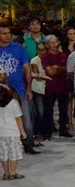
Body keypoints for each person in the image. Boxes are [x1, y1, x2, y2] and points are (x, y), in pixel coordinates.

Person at [0, 25, 38, 154]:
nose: (7, 36)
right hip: (1, 91)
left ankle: (28, 144)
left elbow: (27, 70)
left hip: (19, 90)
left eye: (9, 33)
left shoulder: (19, 49)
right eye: (4, 33)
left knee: (26, 118)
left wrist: (29, 89)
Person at [41, 35, 70, 139]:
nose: (55, 45)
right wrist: (62, 68)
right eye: (52, 43)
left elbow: (69, 69)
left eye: (56, 42)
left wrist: (58, 67)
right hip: (50, 87)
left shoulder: (63, 55)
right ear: (47, 45)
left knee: (63, 110)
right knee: (48, 110)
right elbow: (50, 72)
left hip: (63, 86)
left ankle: (63, 129)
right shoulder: (45, 57)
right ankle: (48, 131)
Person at [0, 84, 26, 180]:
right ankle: (13, 173)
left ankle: (6, 173)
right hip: (13, 133)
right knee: (13, 154)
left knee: (4, 154)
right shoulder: (14, 103)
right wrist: (22, 132)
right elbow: (18, 119)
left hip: (1, 133)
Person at [29, 42, 50, 144]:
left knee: (46, 112)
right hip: (37, 89)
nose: (42, 52)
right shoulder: (34, 60)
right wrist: (45, 76)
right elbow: (36, 74)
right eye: (40, 50)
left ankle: (45, 132)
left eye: (44, 49)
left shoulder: (48, 59)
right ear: (37, 50)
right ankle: (38, 133)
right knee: (40, 112)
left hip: (47, 89)